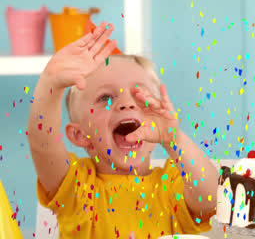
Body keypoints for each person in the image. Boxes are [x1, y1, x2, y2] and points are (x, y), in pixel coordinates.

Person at [27, 22, 218, 238]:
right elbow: (43, 145)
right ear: (79, 135)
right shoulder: (78, 187)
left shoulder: (173, 184)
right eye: (105, 98)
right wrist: (50, 83)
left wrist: (174, 139)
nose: (127, 103)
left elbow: (211, 197)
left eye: (139, 95)